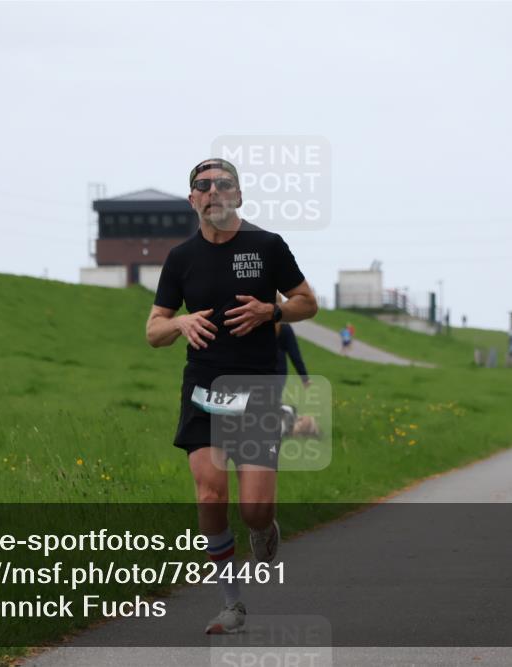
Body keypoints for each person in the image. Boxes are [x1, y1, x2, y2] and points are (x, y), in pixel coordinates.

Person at [146, 158, 317, 635]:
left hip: (257, 388)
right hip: (203, 386)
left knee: (254, 510)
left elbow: (308, 302)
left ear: (238, 196)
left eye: (223, 184)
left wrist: (272, 311)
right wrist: (179, 322)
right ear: (192, 200)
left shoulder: (267, 246)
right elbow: (153, 330)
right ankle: (231, 603)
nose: (213, 191)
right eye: (203, 186)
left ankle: (263, 527)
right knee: (209, 493)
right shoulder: (181, 258)